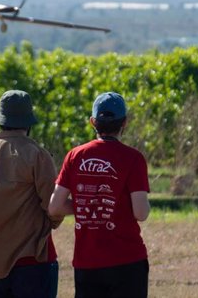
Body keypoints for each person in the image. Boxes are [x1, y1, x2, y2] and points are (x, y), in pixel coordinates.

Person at [49, 92, 151, 298]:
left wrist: (86, 206)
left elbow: (55, 207)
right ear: (125, 123)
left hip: (87, 261)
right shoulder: (133, 158)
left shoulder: (75, 155)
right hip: (128, 261)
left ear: (92, 122)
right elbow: (141, 213)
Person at [0, 90, 62, 298]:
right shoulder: (37, 154)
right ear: (28, 122)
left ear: (1, 120)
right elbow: (52, 207)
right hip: (33, 260)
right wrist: (54, 220)